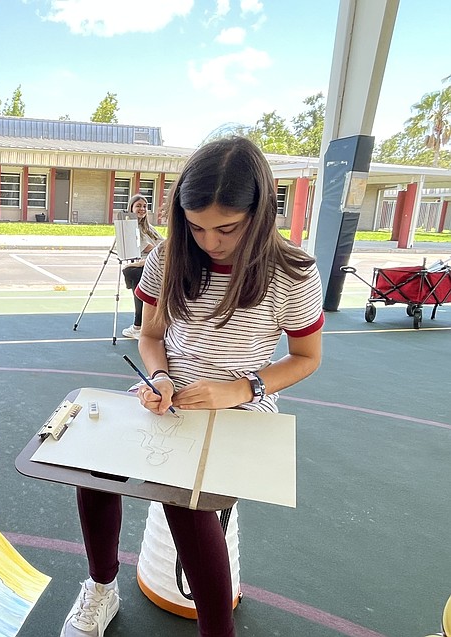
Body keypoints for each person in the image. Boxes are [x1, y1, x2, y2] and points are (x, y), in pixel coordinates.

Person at [60, 137, 324, 637]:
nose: (210, 241)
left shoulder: (292, 271)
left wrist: (242, 388)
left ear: (261, 213)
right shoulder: (167, 256)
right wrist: (158, 376)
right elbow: (152, 337)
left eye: (227, 228)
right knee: (93, 470)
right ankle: (101, 587)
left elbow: (307, 359)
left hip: (243, 406)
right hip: (167, 400)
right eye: (196, 225)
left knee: (187, 501)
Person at [120, 194, 162, 339]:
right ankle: (139, 325)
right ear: (131, 208)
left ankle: (139, 325)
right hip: (149, 264)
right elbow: (152, 248)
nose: (142, 209)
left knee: (131, 271)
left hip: (153, 263)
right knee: (133, 273)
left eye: (144, 206)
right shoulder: (130, 229)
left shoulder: (149, 229)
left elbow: (162, 247)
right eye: (138, 206)